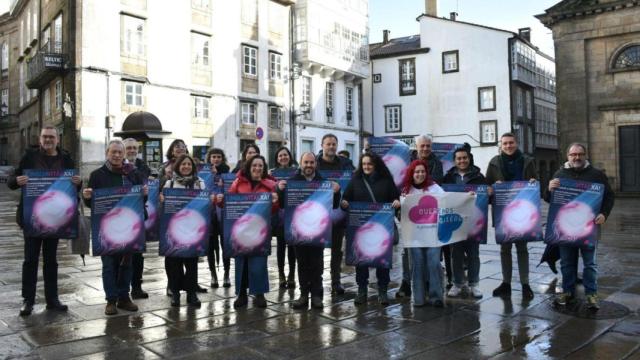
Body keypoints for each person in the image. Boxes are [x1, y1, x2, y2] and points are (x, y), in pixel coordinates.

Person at [8, 126, 82, 316]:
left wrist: (78, 182)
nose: (48, 139)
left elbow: (75, 185)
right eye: (45, 136)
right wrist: (18, 181)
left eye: (51, 137)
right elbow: (11, 181)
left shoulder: (66, 159)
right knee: (30, 260)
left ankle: (52, 299)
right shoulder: (30, 157)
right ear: (40, 139)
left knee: (51, 260)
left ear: (58, 140)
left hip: (55, 218)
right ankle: (28, 300)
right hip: (33, 218)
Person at [82, 139, 148, 315]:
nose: (117, 155)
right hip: (107, 228)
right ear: (107, 154)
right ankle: (111, 300)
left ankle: (124, 297)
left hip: (129, 226)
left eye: (120, 152)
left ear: (124, 154)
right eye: (114, 152)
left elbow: (140, 201)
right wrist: (87, 197)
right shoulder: (97, 175)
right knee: (109, 264)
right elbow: (91, 204)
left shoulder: (133, 174)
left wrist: (145, 194)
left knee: (127, 263)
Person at [546, 143, 614, 310]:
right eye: (573, 154)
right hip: (566, 228)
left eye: (580, 154)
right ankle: (568, 291)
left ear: (585, 155)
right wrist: (549, 189)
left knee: (590, 264)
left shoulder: (596, 175)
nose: (576, 157)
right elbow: (550, 199)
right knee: (567, 263)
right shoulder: (560, 174)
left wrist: (604, 214)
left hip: (588, 228)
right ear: (568, 156)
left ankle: (591, 294)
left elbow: (609, 196)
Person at [277, 152, 341, 309]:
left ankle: (317, 296)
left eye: (311, 162)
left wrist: (337, 192)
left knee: (317, 264)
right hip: (299, 230)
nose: (309, 165)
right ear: (300, 163)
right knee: (302, 264)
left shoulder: (324, 182)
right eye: (306, 162)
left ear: (315, 164)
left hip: (318, 230)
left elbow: (333, 205)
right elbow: (282, 205)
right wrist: (279, 190)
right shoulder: (292, 182)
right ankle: (304, 295)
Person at [217, 155, 278, 308]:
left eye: (260, 166)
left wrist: (276, 202)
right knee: (241, 263)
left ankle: (259, 294)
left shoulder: (270, 185)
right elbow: (228, 202)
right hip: (241, 230)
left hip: (260, 229)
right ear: (249, 167)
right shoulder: (238, 182)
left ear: (264, 169)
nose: (257, 168)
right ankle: (242, 294)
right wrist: (220, 199)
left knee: (259, 262)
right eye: (254, 166)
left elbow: (274, 210)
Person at [341, 153, 400, 305]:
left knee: (382, 260)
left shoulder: (386, 181)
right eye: (364, 164)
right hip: (361, 229)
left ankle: (382, 291)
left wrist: (396, 203)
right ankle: (362, 291)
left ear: (376, 165)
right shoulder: (356, 180)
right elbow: (346, 197)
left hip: (382, 229)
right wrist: (345, 203)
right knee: (361, 261)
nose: (367, 166)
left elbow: (396, 197)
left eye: (370, 164)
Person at [485, 132, 537, 300]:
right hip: (502, 212)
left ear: (517, 143)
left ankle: (525, 283)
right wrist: (493, 187)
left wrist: (533, 183)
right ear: (501, 145)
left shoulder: (527, 161)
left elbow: (536, 181)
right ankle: (506, 283)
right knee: (504, 249)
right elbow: (487, 186)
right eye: (505, 143)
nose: (508, 146)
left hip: (523, 211)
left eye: (511, 143)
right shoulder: (494, 162)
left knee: (522, 249)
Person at [160, 154, 208, 307]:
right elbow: (162, 208)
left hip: (193, 229)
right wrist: (161, 200)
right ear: (178, 167)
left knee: (192, 263)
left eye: (189, 164)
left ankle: (191, 294)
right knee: (174, 263)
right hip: (174, 230)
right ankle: (175, 293)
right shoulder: (169, 184)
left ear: (193, 167)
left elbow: (205, 206)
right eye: (183, 164)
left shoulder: (200, 183)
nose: (186, 167)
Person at [443, 146, 488, 299]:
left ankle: (474, 284)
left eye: (464, 158)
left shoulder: (479, 176)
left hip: (474, 222)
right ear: (454, 161)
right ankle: (457, 283)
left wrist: (489, 193)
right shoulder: (448, 177)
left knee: (473, 254)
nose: (462, 161)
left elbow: (486, 198)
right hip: (455, 222)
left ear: (469, 158)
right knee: (456, 254)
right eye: (459, 158)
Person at [400, 160, 446, 307]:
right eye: (416, 172)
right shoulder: (406, 191)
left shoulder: (435, 188)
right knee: (417, 265)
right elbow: (402, 214)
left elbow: (448, 202)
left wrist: (468, 196)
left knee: (434, 264)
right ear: (412, 174)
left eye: (422, 171)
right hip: (414, 236)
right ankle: (418, 297)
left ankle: (436, 296)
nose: (420, 174)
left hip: (433, 235)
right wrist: (398, 205)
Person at [315, 133, 355, 295]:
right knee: (317, 249)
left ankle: (336, 281)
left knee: (337, 250)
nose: (331, 147)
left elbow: (353, 182)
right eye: (328, 144)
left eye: (334, 144)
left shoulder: (346, 164)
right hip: (318, 213)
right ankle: (316, 281)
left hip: (338, 212)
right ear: (322, 145)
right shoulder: (314, 163)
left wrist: (347, 198)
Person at [123, 138, 151, 300]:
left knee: (138, 254)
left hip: (138, 214)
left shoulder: (142, 166)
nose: (132, 150)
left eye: (134, 148)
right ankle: (122, 289)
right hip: (121, 214)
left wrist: (131, 168)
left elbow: (142, 179)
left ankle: (137, 286)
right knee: (121, 255)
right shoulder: (117, 165)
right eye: (129, 148)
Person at [269, 146, 298, 289]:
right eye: (280, 156)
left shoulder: (296, 172)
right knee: (281, 246)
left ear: (289, 156)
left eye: (285, 155)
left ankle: (292, 275)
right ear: (277, 158)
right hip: (279, 215)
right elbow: (268, 190)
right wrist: (277, 188)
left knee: (292, 246)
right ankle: (281, 275)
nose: (283, 158)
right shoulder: (271, 173)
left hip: (293, 214)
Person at [205, 147, 232, 289]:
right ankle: (213, 274)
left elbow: (232, 191)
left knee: (225, 244)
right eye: (213, 157)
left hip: (223, 212)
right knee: (210, 245)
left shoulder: (227, 173)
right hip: (209, 213)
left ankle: (227, 273)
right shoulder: (204, 173)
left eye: (218, 157)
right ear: (209, 159)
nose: (216, 159)